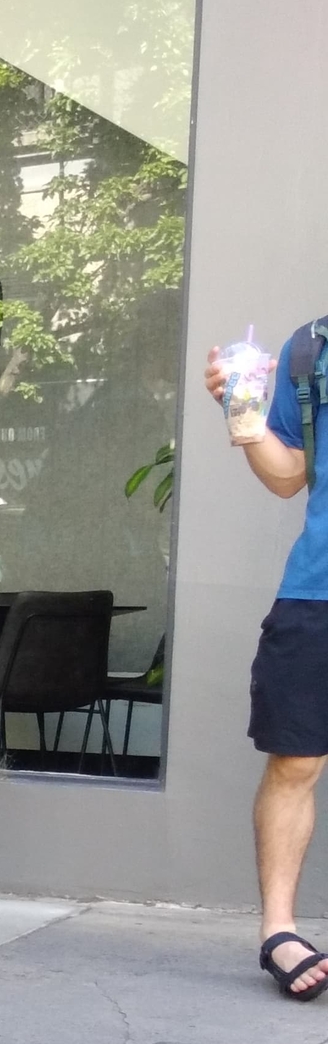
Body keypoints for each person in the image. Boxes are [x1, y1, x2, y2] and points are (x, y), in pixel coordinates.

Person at [202, 327, 328, 998]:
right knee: (296, 761)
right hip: (318, 586)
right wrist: (244, 416)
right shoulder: (314, 348)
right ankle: (279, 930)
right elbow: (289, 476)